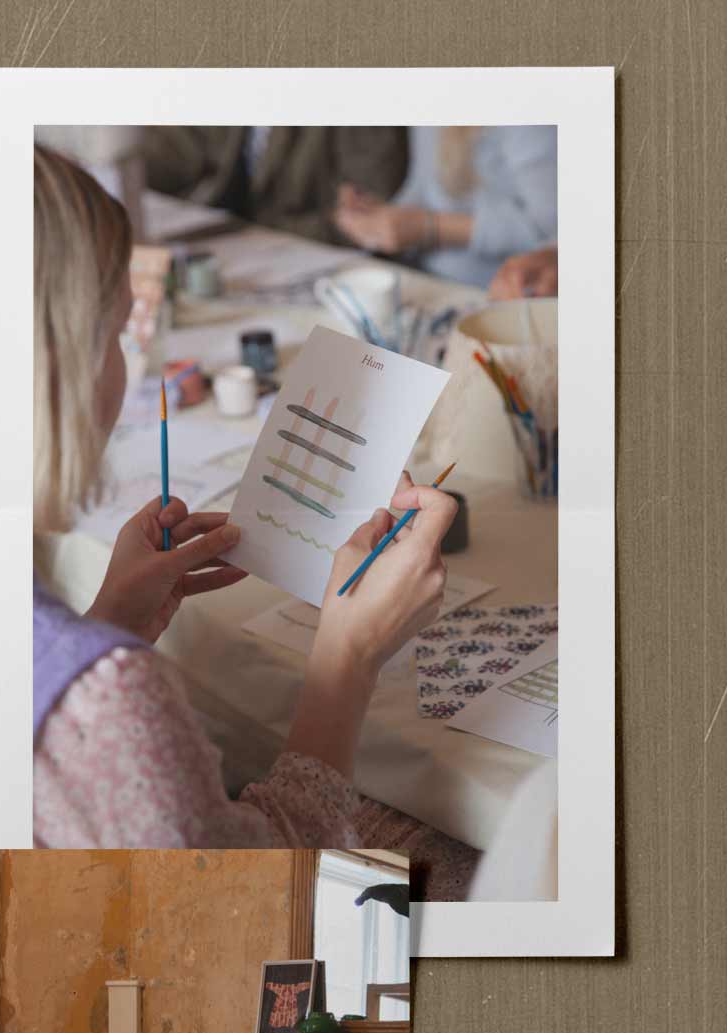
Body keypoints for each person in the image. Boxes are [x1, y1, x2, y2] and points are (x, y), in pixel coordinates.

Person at [30, 146, 456, 849]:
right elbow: (256, 911)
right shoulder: (115, 707)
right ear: (60, 367)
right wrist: (347, 660)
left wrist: (109, 621)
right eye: (112, 335)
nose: (122, 365)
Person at [332, 126, 557, 288]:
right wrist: (380, 216)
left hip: (491, 289)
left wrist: (431, 227)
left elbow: (551, 230)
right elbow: (425, 187)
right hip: (424, 279)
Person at [141, 126, 408, 245]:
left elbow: (367, 217)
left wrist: (249, 232)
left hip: (315, 257)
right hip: (236, 249)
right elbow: (176, 149)